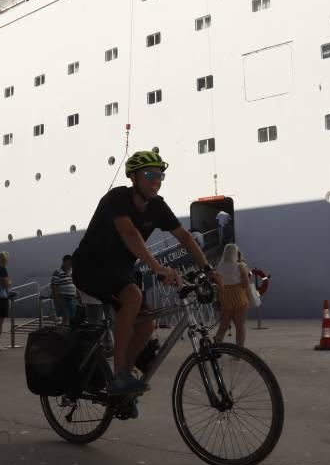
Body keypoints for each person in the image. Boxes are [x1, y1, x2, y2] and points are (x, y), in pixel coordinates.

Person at [72, 148, 220, 395]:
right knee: (133, 295)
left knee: (147, 324)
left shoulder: (157, 206)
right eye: (150, 174)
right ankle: (118, 375)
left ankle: (126, 379)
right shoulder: (116, 199)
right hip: (90, 266)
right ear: (134, 178)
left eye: (160, 176)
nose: (156, 181)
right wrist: (157, 267)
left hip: (119, 270)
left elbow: (184, 236)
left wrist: (208, 268)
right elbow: (129, 233)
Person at [214, 243, 250, 349]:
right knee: (240, 326)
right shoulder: (240, 266)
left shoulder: (219, 266)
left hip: (225, 297)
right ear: (236, 253)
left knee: (223, 326)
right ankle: (239, 353)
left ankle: (215, 348)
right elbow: (246, 284)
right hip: (239, 297)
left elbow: (217, 283)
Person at [51, 254, 78, 325]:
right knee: (65, 316)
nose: (70, 265)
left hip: (72, 298)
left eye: (71, 263)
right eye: (69, 263)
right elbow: (54, 285)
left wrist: (77, 295)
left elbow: (75, 284)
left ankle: (68, 330)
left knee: (72, 316)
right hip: (62, 297)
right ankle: (64, 332)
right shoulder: (58, 272)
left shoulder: (72, 272)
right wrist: (57, 297)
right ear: (64, 262)